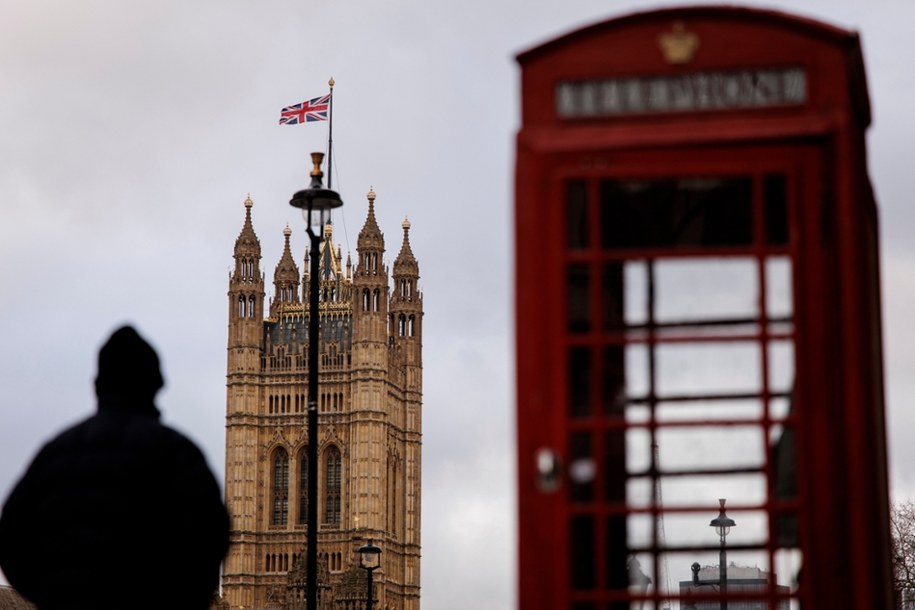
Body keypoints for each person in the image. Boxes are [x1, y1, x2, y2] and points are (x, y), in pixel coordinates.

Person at [0, 325, 230, 610]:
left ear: (98, 384)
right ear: (155, 383)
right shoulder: (179, 453)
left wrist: (52, 595)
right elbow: (212, 537)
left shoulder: (57, 451)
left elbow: (10, 538)